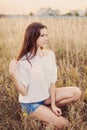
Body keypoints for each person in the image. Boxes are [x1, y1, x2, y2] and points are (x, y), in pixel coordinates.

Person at [9, 22, 82, 130]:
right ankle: (36, 115)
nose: (46, 38)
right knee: (65, 125)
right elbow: (24, 92)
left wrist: (53, 104)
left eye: (46, 35)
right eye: (42, 35)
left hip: (46, 98)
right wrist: (13, 75)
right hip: (31, 103)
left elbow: (52, 82)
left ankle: (45, 111)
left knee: (77, 92)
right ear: (32, 37)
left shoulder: (50, 55)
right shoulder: (24, 61)